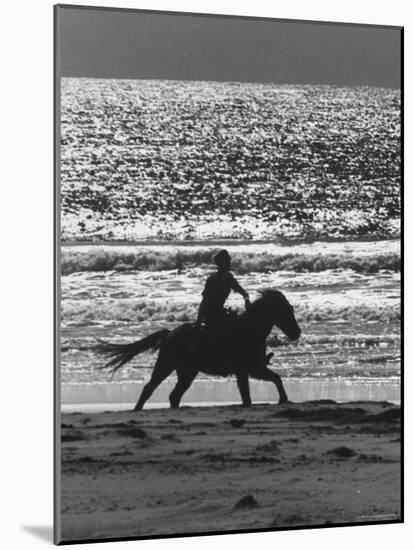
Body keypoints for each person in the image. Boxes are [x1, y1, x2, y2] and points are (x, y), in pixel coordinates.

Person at [195, 249, 250, 330]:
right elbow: (205, 302)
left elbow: (242, 292)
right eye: (227, 260)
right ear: (222, 263)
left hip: (220, 312)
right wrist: (199, 321)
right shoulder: (215, 279)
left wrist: (246, 300)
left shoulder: (228, 278)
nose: (229, 263)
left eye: (229, 260)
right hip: (211, 315)